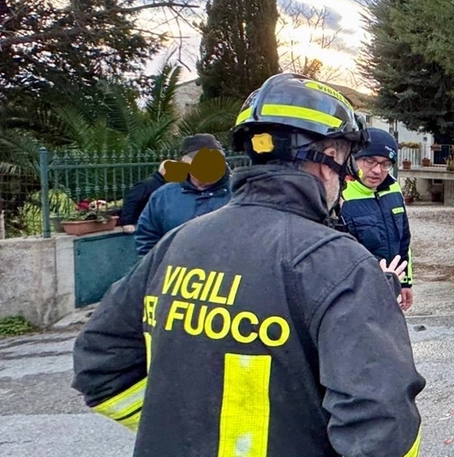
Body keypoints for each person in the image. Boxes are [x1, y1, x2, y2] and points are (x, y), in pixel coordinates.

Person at [71, 73, 425, 456]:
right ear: (330, 160)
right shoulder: (339, 263)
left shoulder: (178, 243)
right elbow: (385, 435)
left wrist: (191, 426)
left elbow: (100, 365)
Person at [341, 127, 414, 311]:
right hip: (355, 294)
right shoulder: (339, 194)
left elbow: (403, 240)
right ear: (354, 159)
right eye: (369, 161)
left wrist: (405, 282)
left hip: (391, 287)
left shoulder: (394, 189)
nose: (377, 170)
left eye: (385, 164)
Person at [134, 134, 232, 256]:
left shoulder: (241, 192)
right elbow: (147, 237)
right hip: (174, 271)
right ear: (185, 162)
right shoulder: (164, 196)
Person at [118, 161, 168, 233]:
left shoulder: (170, 185)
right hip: (145, 225)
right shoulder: (146, 185)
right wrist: (127, 222)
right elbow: (131, 201)